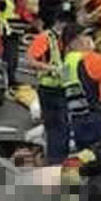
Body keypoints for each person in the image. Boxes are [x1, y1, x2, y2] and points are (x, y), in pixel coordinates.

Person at [23, 13, 74, 162]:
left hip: (62, 87)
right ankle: (56, 161)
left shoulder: (64, 39)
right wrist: (51, 68)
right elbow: (30, 60)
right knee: (57, 128)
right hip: (50, 89)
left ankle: (58, 159)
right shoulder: (45, 38)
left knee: (62, 127)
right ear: (60, 24)